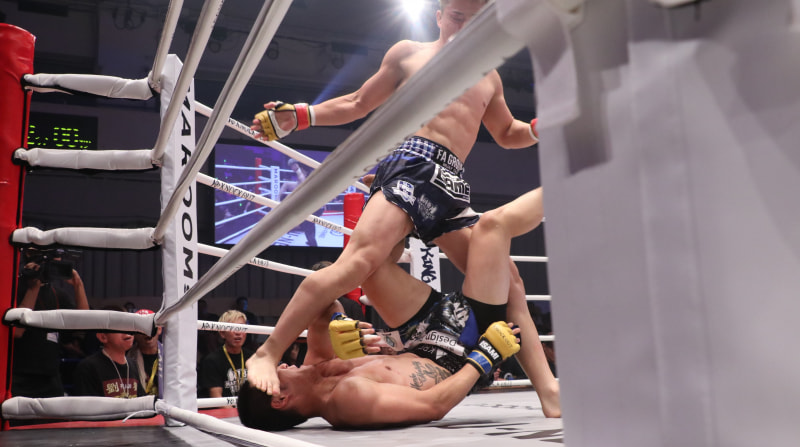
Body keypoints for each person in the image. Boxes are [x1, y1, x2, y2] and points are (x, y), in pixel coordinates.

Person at [246, 0, 558, 417]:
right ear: (439, 16)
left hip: (451, 182)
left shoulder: (490, 76)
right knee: (359, 263)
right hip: (412, 163)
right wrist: (303, 116)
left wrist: (538, 127)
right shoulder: (409, 53)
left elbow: (506, 132)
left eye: (475, 20)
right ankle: (268, 351)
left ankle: (549, 392)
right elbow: (358, 102)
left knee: (510, 279)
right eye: (457, 17)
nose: (464, 26)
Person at [238, 188, 540, 430]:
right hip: (463, 348)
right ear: (280, 398)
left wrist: (338, 321)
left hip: (418, 333)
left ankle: (402, 205)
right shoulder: (347, 401)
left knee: (368, 264)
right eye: (277, 373)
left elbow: (323, 302)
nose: (283, 365)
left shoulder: (316, 363)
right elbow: (433, 406)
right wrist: (484, 357)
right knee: (492, 227)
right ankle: (565, 180)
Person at [11, 248, 89, 399]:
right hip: (19, 375)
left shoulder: (57, 294)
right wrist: (34, 287)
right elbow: (17, 332)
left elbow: (84, 324)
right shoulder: (15, 288)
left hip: (51, 376)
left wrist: (78, 285)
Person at [197, 310, 255, 399]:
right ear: (222, 333)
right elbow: (216, 397)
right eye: (232, 328)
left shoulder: (252, 357)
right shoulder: (212, 360)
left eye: (241, 328)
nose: (238, 332)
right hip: (224, 407)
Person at [72, 330, 144, 398]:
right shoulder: (88, 367)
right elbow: (87, 404)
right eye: (119, 328)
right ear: (103, 337)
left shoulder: (132, 364)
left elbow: (141, 399)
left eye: (129, 327)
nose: (127, 332)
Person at [280, 158, 321, 247]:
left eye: (292, 166)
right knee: (308, 224)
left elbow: (304, 185)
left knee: (307, 225)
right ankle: (311, 241)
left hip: (312, 205)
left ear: (295, 165)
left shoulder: (301, 172)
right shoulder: (305, 171)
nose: (291, 169)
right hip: (313, 204)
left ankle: (313, 245)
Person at [126, 309, 162, 397]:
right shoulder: (125, 358)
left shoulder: (172, 355)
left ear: (159, 329)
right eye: (141, 328)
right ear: (134, 333)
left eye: (150, 327)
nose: (147, 332)